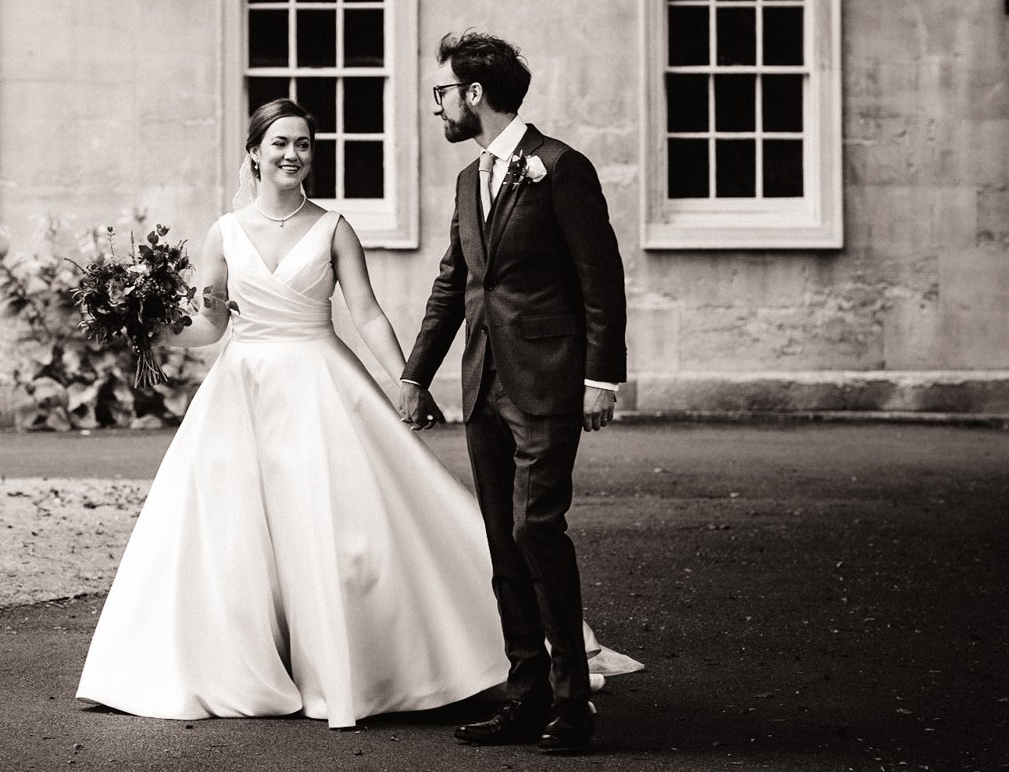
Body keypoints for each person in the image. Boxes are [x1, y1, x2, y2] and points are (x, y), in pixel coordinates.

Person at [75, 94, 637, 730]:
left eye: (303, 144)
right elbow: (209, 324)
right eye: (280, 143)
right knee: (231, 535)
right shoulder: (223, 234)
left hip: (320, 383)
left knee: (336, 531)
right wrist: (152, 330)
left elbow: (365, 311)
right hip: (242, 390)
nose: (293, 154)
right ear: (254, 153)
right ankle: (243, 663)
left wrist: (406, 377)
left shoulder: (334, 227)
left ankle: (372, 664)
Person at [401, 30, 629, 753]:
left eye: (443, 93)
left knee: (537, 529)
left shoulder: (561, 168)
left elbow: (601, 279)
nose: (437, 106)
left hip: (549, 380)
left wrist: (602, 378)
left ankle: (572, 703)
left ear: (473, 95)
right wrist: (416, 373)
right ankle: (524, 695)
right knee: (502, 544)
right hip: (482, 385)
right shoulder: (470, 182)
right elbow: (453, 282)